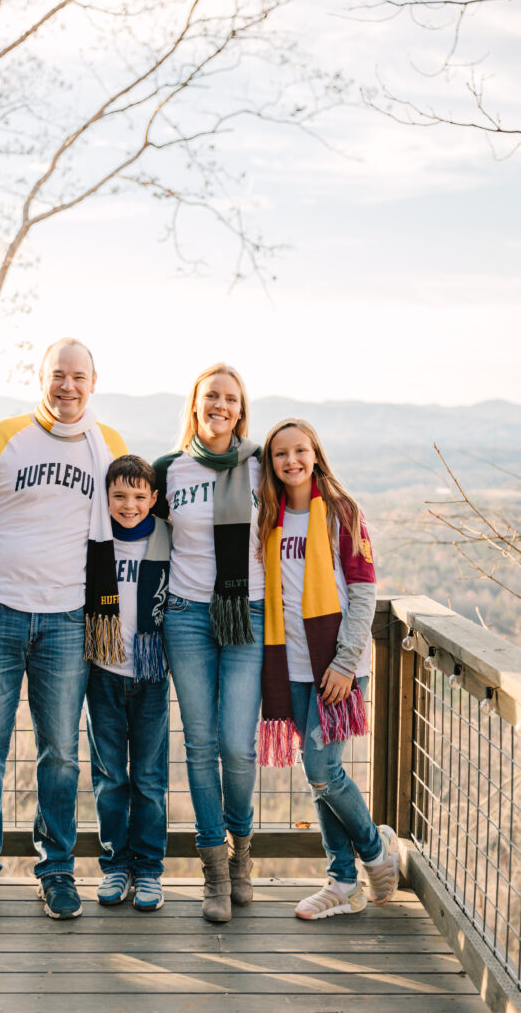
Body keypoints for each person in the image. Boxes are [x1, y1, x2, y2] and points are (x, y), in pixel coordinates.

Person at [0, 338, 126, 923]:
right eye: (57, 376)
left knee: (62, 756)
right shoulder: (3, 436)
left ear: (93, 382)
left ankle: (57, 870)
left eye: (77, 376)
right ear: (41, 379)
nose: (66, 386)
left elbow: (137, 515)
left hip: (69, 619)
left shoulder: (110, 445)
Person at [257, 417, 399, 919]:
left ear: (315, 454)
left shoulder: (343, 512)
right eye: (280, 453)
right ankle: (342, 881)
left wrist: (343, 663)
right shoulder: (268, 516)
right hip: (291, 665)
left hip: (337, 666)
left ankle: (376, 851)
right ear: (269, 463)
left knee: (322, 769)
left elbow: (364, 594)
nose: (291, 460)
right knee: (317, 773)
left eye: (300, 451)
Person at [153, 363, 264, 923]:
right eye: (211, 395)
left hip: (249, 616)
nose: (220, 404)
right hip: (186, 617)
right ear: (195, 404)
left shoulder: (262, 467)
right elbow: (118, 520)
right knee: (199, 746)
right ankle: (215, 872)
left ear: (240, 410)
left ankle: (242, 850)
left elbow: (315, 512)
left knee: (237, 746)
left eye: (230, 398)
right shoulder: (168, 470)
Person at [85, 455, 172, 912]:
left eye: (140, 497)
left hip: (151, 674)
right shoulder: (93, 541)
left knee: (150, 779)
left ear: (154, 499)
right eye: (119, 496)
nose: (129, 505)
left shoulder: (167, 539)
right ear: (106, 497)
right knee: (110, 777)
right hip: (104, 672)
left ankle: (150, 869)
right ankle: (115, 865)